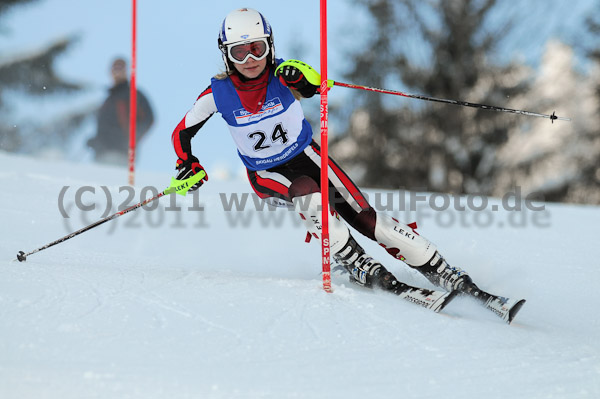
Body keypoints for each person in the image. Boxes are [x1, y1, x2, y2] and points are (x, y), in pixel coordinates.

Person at [171, 8, 523, 319]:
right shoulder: (216, 93)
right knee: (307, 193)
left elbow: (310, 84)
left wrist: (306, 81)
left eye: (257, 48)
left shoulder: (283, 72)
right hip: (267, 173)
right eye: (239, 51)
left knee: (366, 217)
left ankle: (441, 269)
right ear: (226, 54)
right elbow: (182, 132)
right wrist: (188, 163)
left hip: (307, 155)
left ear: (269, 46)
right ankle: (354, 260)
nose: (250, 58)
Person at [88, 57, 154, 166]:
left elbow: (149, 119)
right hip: (101, 153)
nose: (117, 72)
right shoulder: (109, 99)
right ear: (110, 71)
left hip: (120, 154)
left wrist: (131, 138)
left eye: (120, 68)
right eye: (115, 68)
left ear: (126, 71)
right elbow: (106, 127)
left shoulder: (133, 94)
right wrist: (96, 140)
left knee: (113, 181)